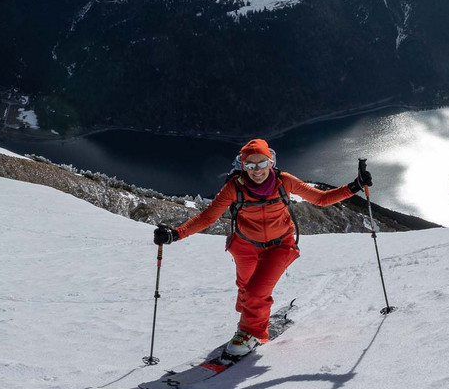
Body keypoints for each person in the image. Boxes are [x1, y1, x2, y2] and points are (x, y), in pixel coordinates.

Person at [153, 139, 372, 357]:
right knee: (245, 287)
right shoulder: (234, 187)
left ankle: (250, 333)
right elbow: (207, 217)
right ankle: (249, 315)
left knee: (257, 292)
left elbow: (322, 199)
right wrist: (175, 234)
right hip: (245, 245)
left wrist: (355, 186)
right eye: (250, 165)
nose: (256, 170)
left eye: (262, 163)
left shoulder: (284, 182)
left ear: (271, 162)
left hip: (279, 247)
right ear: (242, 166)